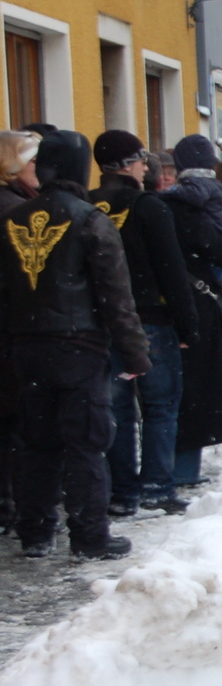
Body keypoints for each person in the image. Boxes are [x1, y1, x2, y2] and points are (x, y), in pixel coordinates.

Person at [1, 130, 150, 559]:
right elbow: (115, 297)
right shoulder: (89, 219)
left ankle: (36, 531)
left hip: (28, 347)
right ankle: (88, 534)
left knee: (37, 442)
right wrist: (136, 352)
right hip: (79, 346)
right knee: (86, 443)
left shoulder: (12, 219)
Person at [91, 132, 200, 517]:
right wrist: (188, 326)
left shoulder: (87, 205)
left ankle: (122, 491)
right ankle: (156, 484)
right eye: (141, 160)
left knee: (117, 410)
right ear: (128, 164)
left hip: (102, 322)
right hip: (151, 318)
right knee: (160, 405)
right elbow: (171, 270)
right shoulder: (148, 207)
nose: (145, 168)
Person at [157, 135, 222, 489]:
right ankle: (180, 470)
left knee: (167, 395)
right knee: (192, 391)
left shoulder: (160, 205)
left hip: (164, 303)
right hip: (192, 304)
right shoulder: (195, 207)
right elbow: (221, 250)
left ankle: (166, 471)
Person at [0, 130, 42, 537]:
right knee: (16, 424)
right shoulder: (15, 212)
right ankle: (12, 504)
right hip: (14, 331)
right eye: (31, 162)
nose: (37, 170)